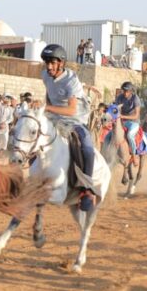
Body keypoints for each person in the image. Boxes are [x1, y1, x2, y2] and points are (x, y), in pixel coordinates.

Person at [40, 44, 95, 211]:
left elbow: (71, 110)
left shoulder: (72, 81)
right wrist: (45, 110)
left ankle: (87, 189)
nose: (49, 66)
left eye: (52, 63)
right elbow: (49, 96)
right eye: (47, 62)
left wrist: (47, 108)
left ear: (61, 63)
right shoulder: (45, 75)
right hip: (54, 117)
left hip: (75, 120)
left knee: (87, 146)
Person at [113, 81, 142, 165]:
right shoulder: (119, 97)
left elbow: (136, 115)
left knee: (130, 135)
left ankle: (134, 156)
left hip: (134, 122)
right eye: (124, 90)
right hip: (121, 121)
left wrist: (122, 116)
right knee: (110, 135)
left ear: (131, 91)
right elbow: (116, 109)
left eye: (127, 91)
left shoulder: (135, 99)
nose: (125, 93)